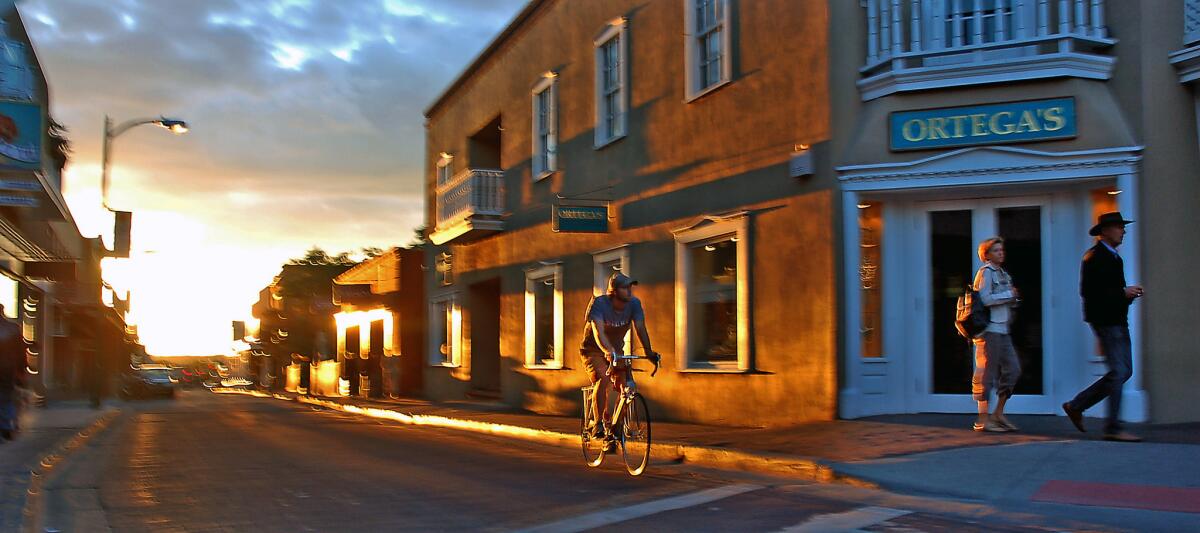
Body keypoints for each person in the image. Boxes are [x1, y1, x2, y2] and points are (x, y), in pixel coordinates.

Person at [1062, 212, 1143, 442]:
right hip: (1106, 322)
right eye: (1119, 227)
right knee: (1119, 371)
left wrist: (1127, 295)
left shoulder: (1113, 257)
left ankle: (1077, 405)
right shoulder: (1095, 257)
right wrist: (1122, 293)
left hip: (1116, 320)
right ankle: (1112, 427)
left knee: (1124, 371)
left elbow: (1108, 292)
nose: (1123, 231)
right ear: (1105, 231)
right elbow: (1089, 292)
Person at [580, 273, 659, 446]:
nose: (629, 290)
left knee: (628, 386)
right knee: (604, 377)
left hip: (617, 351)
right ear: (614, 291)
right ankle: (598, 424)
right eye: (625, 287)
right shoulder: (600, 304)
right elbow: (598, 332)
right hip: (593, 350)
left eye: (630, 287)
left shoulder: (634, 304)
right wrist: (608, 351)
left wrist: (649, 352)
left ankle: (616, 427)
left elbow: (640, 328)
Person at [971, 237, 1022, 433]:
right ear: (987, 254)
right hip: (990, 330)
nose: (1001, 253)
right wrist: (1008, 296)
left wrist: (1013, 298)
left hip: (1003, 329)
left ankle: (998, 413)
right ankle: (983, 419)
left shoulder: (1003, 274)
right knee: (987, 373)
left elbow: (1007, 299)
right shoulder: (985, 273)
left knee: (1013, 369)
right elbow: (984, 299)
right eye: (996, 250)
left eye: (1002, 249)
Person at [0, 304, 26, 441]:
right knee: (6, 397)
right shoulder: (13, 328)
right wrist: (22, 369)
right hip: (8, 368)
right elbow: (21, 352)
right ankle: (6, 427)